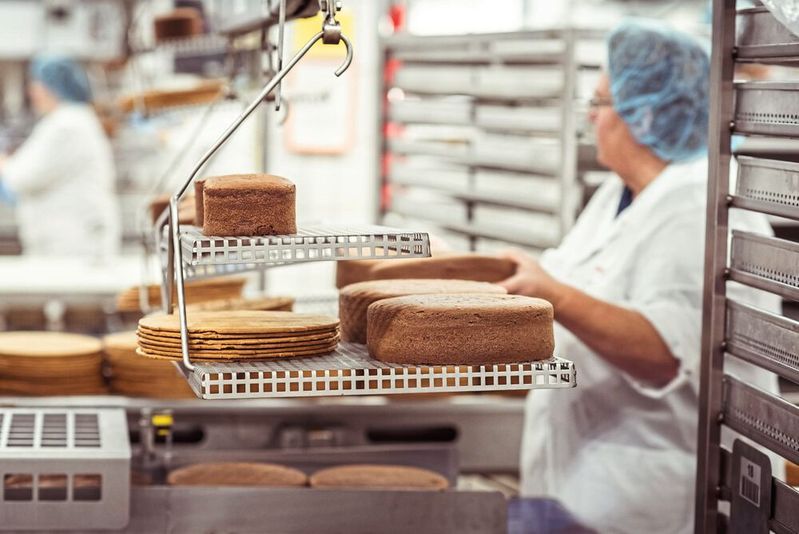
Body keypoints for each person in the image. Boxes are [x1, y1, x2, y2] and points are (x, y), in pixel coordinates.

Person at [499, 21, 780, 534]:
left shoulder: (700, 209)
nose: (591, 115)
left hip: (649, 498)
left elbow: (666, 353)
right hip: (576, 485)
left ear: (645, 113)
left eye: (600, 102)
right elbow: (562, 279)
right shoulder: (621, 194)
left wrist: (553, 295)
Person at [0, 55, 119, 257]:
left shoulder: (67, 125)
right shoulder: (72, 120)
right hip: (67, 240)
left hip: (71, 243)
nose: (32, 92)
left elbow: (21, 178)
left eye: (36, 85)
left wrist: (4, 163)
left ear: (52, 86)